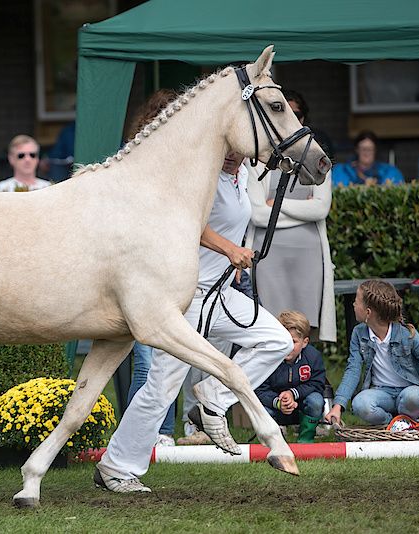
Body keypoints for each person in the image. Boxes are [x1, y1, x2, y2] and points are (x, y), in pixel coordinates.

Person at [94, 151, 293, 493]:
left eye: (238, 151)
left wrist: (230, 260)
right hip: (185, 298)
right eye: (228, 151)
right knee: (162, 387)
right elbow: (189, 224)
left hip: (220, 295)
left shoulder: (242, 175)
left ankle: (212, 398)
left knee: (278, 340)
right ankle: (116, 466)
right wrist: (230, 250)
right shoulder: (202, 173)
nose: (232, 156)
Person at [246, 93, 336, 343]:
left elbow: (321, 209)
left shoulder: (319, 156)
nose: (292, 119)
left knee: (305, 326)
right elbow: (258, 215)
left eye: (297, 114)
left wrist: (277, 204)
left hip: (308, 257)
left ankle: (304, 375)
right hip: (267, 255)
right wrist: (301, 211)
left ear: (304, 118)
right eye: (287, 113)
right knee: (268, 323)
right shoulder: (259, 158)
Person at [123, 89, 181, 448]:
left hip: (167, 266)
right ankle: (140, 435)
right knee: (147, 359)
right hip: (140, 269)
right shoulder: (136, 162)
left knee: (168, 358)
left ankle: (163, 432)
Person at [324, 280, 419, 427]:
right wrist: (338, 405)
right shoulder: (359, 333)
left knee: (412, 397)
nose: (353, 304)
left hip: (410, 391)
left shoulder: (407, 335)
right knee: (360, 403)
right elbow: (353, 370)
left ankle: (407, 422)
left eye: (356, 301)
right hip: (382, 394)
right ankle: (394, 425)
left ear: (368, 312)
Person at [255, 310, 326, 443]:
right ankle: (274, 441)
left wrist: (293, 393)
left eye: (293, 341)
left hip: (301, 406)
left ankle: (305, 440)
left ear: (305, 342)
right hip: (275, 405)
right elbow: (259, 390)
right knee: (261, 410)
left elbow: (317, 384)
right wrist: (278, 402)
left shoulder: (313, 356)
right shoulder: (267, 358)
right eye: (283, 340)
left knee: (316, 401)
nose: (287, 345)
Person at [331, 130, 404, 187]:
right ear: (357, 150)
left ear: (375, 150)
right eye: (363, 149)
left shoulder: (390, 172)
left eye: (370, 149)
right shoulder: (341, 171)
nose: (366, 153)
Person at [282, 89, 334, 160]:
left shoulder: (317, 138)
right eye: (285, 115)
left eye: (295, 115)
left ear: (303, 116)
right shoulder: (271, 140)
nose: (291, 120)